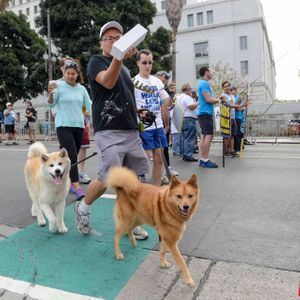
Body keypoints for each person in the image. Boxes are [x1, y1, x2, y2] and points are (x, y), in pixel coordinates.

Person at [75, 21, 149, 238]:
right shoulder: (96, 62)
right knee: (108, 177)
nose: (115, 41)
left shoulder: (125, 68)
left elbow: (126, 95)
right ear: (102, 43)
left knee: (132, 181)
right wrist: (118, 57)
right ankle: (83, 209)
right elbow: (107, 82)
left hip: (131, 130)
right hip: (108, 130)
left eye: (119, 37)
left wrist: (139, 112)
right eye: (110, 38)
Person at [48, 60, 92, 201]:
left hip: (79, 126)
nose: (71, 76)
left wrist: (93, 118)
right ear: (64, 73)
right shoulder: (58, 86)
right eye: (68, 73)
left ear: (78, 75)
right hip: (63, 125)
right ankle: (77, 187)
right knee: (72, 156)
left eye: (74, 74)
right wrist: (50, 94)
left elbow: (89, 106)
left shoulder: (82, 89)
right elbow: (51, 103)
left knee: (71, 156)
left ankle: (66, 179)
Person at [134, 49, 170, 186]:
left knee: (159, 159)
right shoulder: (134, 82)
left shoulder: (157, 82)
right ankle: (138, 180)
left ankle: (156, 189)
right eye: (144, 62)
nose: (147, 66)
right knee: (144, 157)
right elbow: (131, 104)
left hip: (158, 125)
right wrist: (140, 113)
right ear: (138, 63)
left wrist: (164, 103)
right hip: (143, 125)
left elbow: (166, 100)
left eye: (150, 62)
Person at [197, 66, 223, 168]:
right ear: (206, 72)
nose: (212, 73)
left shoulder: (203, 83)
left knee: (204, 136)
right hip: (205, 113)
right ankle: (205, 159)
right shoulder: (204, 83)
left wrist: (217, 99)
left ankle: (202, 159)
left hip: (203, 113)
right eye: (210, 71)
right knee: (208, 135)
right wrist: (219, 100)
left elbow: (207, 99)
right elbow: (208, 99)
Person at [179, 83, 198, 162]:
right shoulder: (187, 97)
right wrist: (198, 102)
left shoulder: (179, 97)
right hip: (189, 119)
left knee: (184, 137)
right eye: (190, 89)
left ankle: (185, 154)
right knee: (189, 138)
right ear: (186, 89)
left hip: (182, 118)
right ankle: (188, 155)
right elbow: (191, 107)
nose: (191, 90)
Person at [78, 108, 92, 184]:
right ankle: (68, 174)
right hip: (66, 123)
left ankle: (81, 173)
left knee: (83, 147)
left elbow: (88, 110)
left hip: (81, 123)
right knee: (68, 149)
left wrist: (88, 121)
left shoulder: (82, 96)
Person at [232, 87, 245, 153]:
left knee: (238, 133)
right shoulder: (230, 98)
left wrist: (237, 107)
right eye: (231, 91)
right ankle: (234, 147)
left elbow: (241, 108)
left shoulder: (238, 98)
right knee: (234, 134)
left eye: (233, 90)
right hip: (232, 117)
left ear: (236, 91)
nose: (232, 92)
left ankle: (238, 148)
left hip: (238, 117)